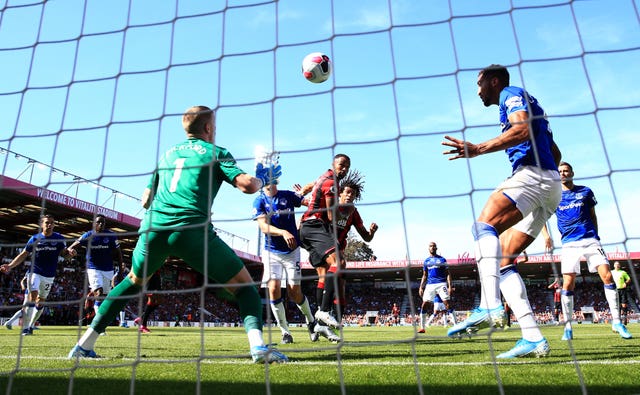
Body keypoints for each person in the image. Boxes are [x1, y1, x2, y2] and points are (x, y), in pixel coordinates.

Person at [68, 105, 288, 363]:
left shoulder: (167, 155)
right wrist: (263, 179)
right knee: (245, 289)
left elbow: (146, 199)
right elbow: (247, 186)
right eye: (214, 126)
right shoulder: (216, 152)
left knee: (132, 281)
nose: (215, 130)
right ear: (208, 128)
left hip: (153, 228)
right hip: (190, 229)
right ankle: (259, 348)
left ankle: (84, 345)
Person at [442, 64, 562, 358]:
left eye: (479, 84)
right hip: (550, 183)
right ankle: (533, 338)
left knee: (484, 227)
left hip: (532, 176)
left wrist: (479, 149)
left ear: (493, 82)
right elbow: (556, 153)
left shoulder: (511, 94)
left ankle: (489, 305)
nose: (478, 91)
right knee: (505, 261)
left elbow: (521, 130)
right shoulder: (531, 104)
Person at [542, 162, 632, 340]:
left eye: (565, 170)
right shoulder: (554, 195)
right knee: (568, 284)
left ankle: (617, 322)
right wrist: (546, 236)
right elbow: (541, 216)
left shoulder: (585, 191)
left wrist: (596, 236)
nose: (563, 173)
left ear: (572, 173)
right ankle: (568, 328)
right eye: (559, 171)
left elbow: (593, 215)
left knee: (607, 276)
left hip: (590, 239)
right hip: (569, 243)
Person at [251, 175, 327, 343]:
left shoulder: (288, 195)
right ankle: (285, 332)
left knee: (294, 291)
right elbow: (263, 227)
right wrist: (283, 232)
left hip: (292, 252)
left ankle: (311, 321)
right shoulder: (259, 201)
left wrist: (317, 185)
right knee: (273, 288)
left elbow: (309, 202)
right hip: (271, 252)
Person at [299, 154, 351, 330]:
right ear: (333, 164)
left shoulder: (323, 177)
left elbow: (309, 186)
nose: (344, 169)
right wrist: (341, 218)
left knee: (329, 270)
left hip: (307, 227)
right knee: (339, 262)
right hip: (314, 226)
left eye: (347, 167)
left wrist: (300, 194)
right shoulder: (332, 183)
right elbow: (330, 214)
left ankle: (318, 326)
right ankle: (324, 311)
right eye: (341, 165)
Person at [1, 214, 73, 335]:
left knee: (41, 302)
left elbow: (65, 255)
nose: (49, 225)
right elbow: (23, 254)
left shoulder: (59, 239)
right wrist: (10, 265)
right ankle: (25, 328)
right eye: (47, 223)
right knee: (32, 296)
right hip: (35, 272)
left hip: (49, 275)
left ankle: (30, 325)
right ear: (41, 224)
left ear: (54, 225)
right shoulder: (34, 239)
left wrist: (71, 254)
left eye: (51, 223)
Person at [331, 169, 378, 323]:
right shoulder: (329, 204)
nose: (351, 195)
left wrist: (372, 232)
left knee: (341, 286)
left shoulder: (353, 213)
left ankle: (336, 320)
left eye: (354, 194)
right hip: (322, 248)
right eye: (348, 192)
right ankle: (320, 316)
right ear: (340, 193)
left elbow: (366, 238)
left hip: (338, 251)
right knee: (329, 284)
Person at [67, 214, 125, 327]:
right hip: (93, 268)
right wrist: (70, 249)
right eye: (98, 222)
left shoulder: (111, 235)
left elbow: (118, 253)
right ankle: (99, 325)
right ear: (94, 223)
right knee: (98, 292)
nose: (101, 224)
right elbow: (75, 244)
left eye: (103, 222)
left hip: (108, 269)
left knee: (104, 296)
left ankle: (95, 318)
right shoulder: (89, 235)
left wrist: (121, 272)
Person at [417, 242, 455, 333]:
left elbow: (448, 274)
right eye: (430, 246)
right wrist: (421, 287)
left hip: (441, 284)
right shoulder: (426, 261)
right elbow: (424, 275)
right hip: (430, 285)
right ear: (428, 248)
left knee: (447, 304)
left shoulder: (442, 260)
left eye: (434, 246)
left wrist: (450, 286)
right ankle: (422, 328)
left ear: (436, 248)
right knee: (424, 304)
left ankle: (456, 326)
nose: (432, 247)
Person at [611, 261, 632, 325]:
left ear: (619, 266)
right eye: (616, 264)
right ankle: (619, 319)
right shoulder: (611, 272)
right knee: (617, 305)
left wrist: (625, 283)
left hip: (622, 290)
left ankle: (625, 318)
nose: (617, 265)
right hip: (615, 290)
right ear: (614, 266)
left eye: (618, 264)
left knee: (624, 305)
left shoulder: (623, 272)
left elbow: (629, 279)